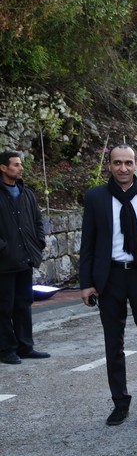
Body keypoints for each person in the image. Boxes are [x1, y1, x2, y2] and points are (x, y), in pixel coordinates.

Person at [79, 145, 137, 426]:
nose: (123, 168)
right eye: (117, 163)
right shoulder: (95, 197)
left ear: (136, 164)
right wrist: (86, 283)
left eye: (128, 163)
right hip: (110, 277)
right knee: (113, 344)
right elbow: (87, 243)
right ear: (110, 165)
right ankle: (120, 403)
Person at [0, 151, 49, 365]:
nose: (20, 168)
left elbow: (38, 220)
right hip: (4, 262)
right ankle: (6, 349)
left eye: (21, 165)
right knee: (3, 307)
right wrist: (3, 248)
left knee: (24, 303)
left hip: (25, 259)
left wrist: (39, 242)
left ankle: (25, 346)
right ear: (3, 168)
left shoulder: (26, 193)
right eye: (16, 165)